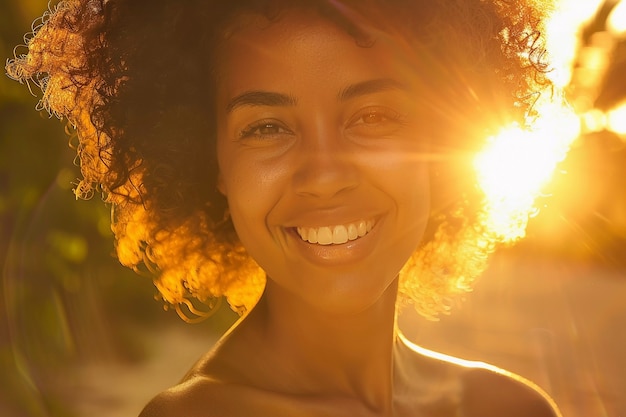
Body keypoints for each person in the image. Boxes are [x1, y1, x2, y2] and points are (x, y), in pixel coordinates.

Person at [7, 0, 562, 415]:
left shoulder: (510, 406)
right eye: (267, 127)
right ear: (209, 161)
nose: (324, 175)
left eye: (371, 117)